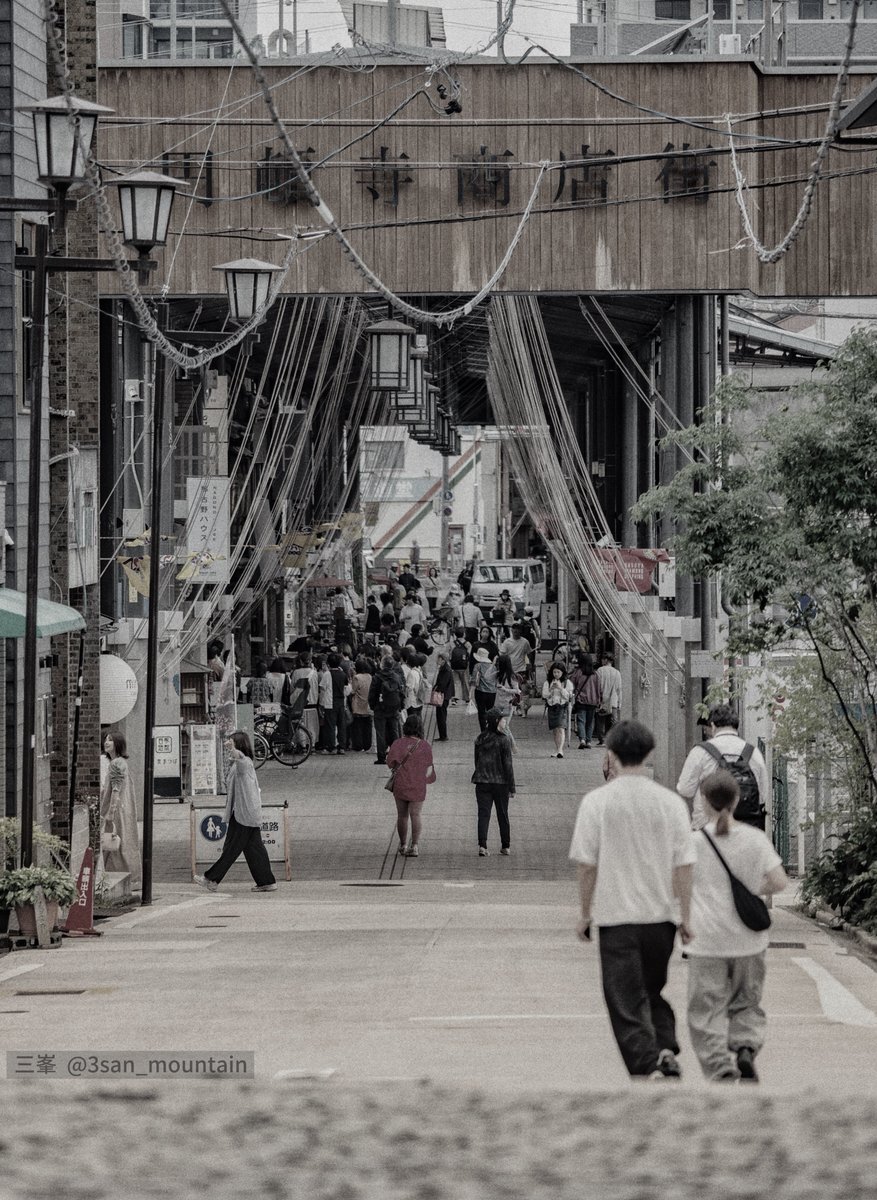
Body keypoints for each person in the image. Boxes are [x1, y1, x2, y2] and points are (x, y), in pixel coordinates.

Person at [568, 720, 696, 1080]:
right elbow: (684, 865)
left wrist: (584, 913)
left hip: (616, 919)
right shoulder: (670, 803)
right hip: (661, 918)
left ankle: (648, 1064)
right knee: (651, 989)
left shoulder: (597, 802)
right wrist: (686, 917)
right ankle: (665, 1046)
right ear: (650, 752)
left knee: (624, 997)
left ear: (611, 754)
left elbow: (587, 865)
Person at [686, 770, 788, 1083]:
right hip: (749, 940)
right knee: (747, 1002)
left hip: (707, 940)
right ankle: (745, 1046)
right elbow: (779, 881)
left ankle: (720, 1068)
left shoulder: (693, 842)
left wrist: (683, 920)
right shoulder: (755, 839)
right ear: (737, 799)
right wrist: (752, 889)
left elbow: (677, 885)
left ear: (704, 801)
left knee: (705, 1008)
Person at [194, 731, 277, 893]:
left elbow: (239, 758)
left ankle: (211, 878)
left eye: (232, 742)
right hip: (245, 812)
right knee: (254, 849)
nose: (228, 745)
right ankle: (266, 881)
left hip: (243, 814)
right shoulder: (244, 764)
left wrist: (233, 749)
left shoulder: (244, 763)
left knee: (231, 848)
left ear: (238, 745)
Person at [676, 704, 770, 831]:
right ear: (736, 726)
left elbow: (685, 790)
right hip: (745, 829)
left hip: (707, 828)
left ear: (713, 725)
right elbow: (762, 796)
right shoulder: (753, 752)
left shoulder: (700, 751)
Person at [386, 713, 436, 858]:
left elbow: (390, 763)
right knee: (416, 814)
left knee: (402, 815)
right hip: (418, 784)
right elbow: (429, 766)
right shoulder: (425, 745)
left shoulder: (397, 743)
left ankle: (403, 845)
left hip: (401, 783)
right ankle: (414, 846)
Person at [472, 706, 515, 856]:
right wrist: (512, 787)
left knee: (483, 814)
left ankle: (482, 846)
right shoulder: (504, 740)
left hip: (482, 781)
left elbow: (477, 761)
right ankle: (505, 845)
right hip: (500, 782)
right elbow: (508, 765)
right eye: (503, 719)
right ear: (496, 721)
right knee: (502, 814)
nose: (505, 721)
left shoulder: (480, 738)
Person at [100, 732, 141, 888]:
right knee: (120, 843)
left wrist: (111, 812)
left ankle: (117, 878)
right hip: (123, 809)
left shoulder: (116, 763)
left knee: (112, 843)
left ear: (118, 743)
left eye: (110, 740)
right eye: (105, 739)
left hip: (115, 810)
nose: (106, 742)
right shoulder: (120, 762)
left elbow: (116, 789)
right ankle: (131, 878)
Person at [368, 652, 406, 764]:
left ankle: (381, 757)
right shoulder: (396, 677)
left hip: (380, 708)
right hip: (394, 708)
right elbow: (401, 692)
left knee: (380, 733)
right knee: (394, 731)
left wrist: (373, 706)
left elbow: (372, 694)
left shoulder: (376, 677)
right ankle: (397, 756)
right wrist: (400, 706)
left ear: (382, 664)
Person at [570, 653, 601, 749]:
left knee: (581, 721)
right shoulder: (595, 674)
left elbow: (571, 685)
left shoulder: (578, 673)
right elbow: (599, 688)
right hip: (593, 701)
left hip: (581, 700)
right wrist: (599, 700)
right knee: (590, 722)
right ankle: (589, 741)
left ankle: (582, 740)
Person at [543, 663, 574, 758]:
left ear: (562, 672)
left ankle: (560, 750)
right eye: (554, 672)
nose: (556, 674)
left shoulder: (567, 683)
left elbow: (569, 696)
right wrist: (551, 690)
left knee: (561, 728)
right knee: (555, 729)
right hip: (552, 706)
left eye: (558, 672)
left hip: (562, 707)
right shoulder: (548, 682)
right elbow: (544, 695)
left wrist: (561, 688)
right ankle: (557, 749)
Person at [323, 652, 349, 755]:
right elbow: (347, 687)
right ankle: (342, 746)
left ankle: (331, 747)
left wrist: (321, 704)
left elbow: (323, 688)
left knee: (330, 725)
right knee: (341, 724)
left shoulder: (327, 674)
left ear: (328, 663)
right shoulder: (343, 674)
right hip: (341, 702)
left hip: (330, 702)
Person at [595, 652, 622, 744]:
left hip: (602, 699)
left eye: (602, 659)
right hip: (613, 700)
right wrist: (619, 702)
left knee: (601, 720)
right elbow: (619, 689)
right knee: (613, 720)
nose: (601, 661)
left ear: (606, 660)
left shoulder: (600, 671)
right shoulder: (617, 672)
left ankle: (602, 739)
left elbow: (597, 685)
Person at [471, 646, 498, 732]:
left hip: (481, 692)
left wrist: (471, 694)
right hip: (492, 692)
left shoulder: (478, 666)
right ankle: (491, 730)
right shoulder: (493, 667)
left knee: (481, 713)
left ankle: (483, 731)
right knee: (490, 712)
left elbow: (474, 680)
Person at [349, 657, 374, 752]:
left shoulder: (357, 677)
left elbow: (353, 691)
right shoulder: (370, 676)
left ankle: (358, 745)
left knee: (357, 726)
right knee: (367, 726)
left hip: (358, 703)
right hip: (367, 703)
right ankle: (367, 744)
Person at [494, 653, 521, 727]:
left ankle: (508, 736)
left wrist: (505, 689)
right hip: (497, 703)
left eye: (499, 663)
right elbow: (487, 676)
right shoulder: (498, 674)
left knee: (504, 726)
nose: (497, 665)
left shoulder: (511, 676)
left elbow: (517, 691)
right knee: (498, 726)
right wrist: (492, 664)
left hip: (507, 703)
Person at [432, 652, 453, 741]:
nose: (437, 660)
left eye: (439, 659)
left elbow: (443, 684)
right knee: (440, 715)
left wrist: (436, 689)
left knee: (441, 716)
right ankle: (442, 735)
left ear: (443, 660)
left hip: (443, 695)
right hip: (444, 695)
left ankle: (443, 736)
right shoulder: (444, 668)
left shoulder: (446, 670)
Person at [449, 629, 472, 703]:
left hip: (454, 666)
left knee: (456, 682)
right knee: (465, 681)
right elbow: (469, 654)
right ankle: (467, 698)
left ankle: (455, 698)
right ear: (464, 634)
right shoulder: (467, 644)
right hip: (464, 666)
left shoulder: (452, 643)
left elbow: (450, 654)